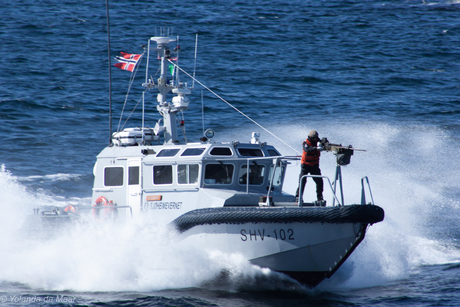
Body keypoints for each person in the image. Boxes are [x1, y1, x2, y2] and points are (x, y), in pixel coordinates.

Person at [295, 130, 324, 202]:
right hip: (305, 165)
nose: (316, 139)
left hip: (314, 166)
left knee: (319, 181)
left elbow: (325, 145)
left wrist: (325, 145)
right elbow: (307, 149)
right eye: (314, 138)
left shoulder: (318, 142)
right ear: (310, 138)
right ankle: (298, 197)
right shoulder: (306, 143)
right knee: (302, 181)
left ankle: (320, 198)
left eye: (316, 138)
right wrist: (316, 148)